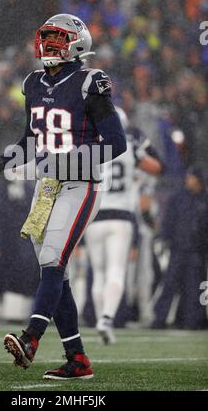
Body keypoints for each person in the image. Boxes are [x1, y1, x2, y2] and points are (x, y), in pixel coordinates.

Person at [0, 14, 127, 380]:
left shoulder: (88, 81)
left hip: (81, 183)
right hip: (48, 186)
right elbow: (32, 138)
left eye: (56, 38)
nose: (48, 45)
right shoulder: (33, 83)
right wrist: (5, 160)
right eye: (45, 38)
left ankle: (31, 338)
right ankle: (77, 359)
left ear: (77, 43)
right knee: (55, 273)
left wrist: (71, 159)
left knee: (51, 259)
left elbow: (116, 143)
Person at [84, 111, 162, 344]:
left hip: (94, 216)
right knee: (116, 271)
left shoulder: (89, 146)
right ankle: (106, 319)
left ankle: (99, 318)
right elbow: (157, 167)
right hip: (121, 217)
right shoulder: (128, 145)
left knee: (97, 273)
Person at [151, 166, 208, 330]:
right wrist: (163, 238)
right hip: (178, 248)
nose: (187, 180)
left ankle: (193, 321)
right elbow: (169, 220)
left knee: (195, 287)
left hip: (197, 251)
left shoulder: (204, 199)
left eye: (191, 177)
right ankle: (159, 320)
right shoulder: (178, 198)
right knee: (169, 285)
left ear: (198, 179)